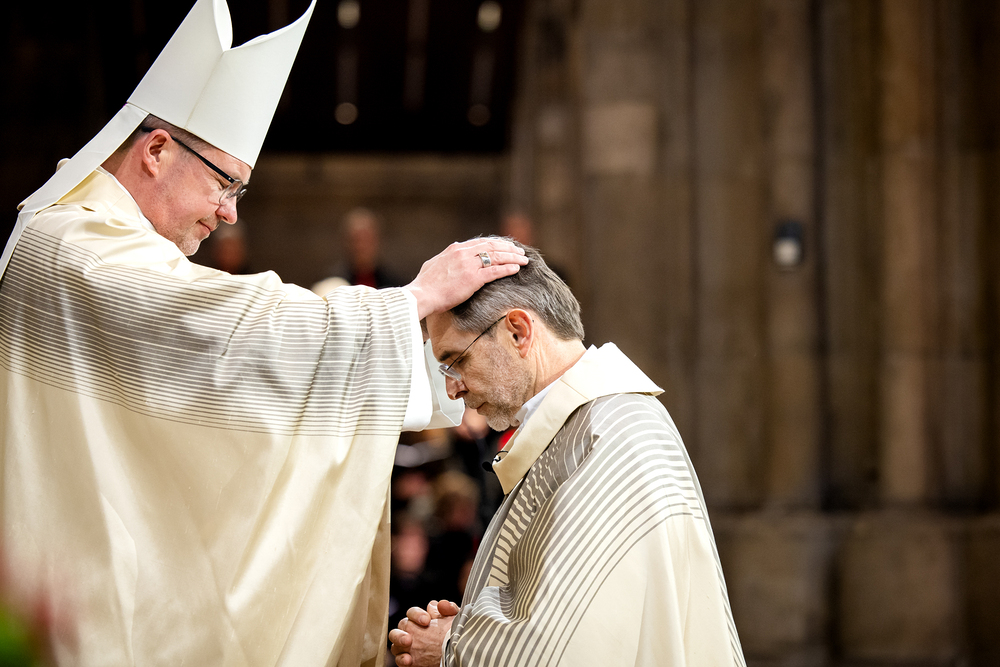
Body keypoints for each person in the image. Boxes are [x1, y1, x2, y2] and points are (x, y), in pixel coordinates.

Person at [0, 2, 526, 665]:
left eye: (239, 193)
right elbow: (224, 328)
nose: (228, 214)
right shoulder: (72, 246)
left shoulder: (91, 239)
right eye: (224, 183)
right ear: (157, 151)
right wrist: (412, 302)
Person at [389, 241, 746, 666]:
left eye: (456, 361)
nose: (452, 389)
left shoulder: (612, 433)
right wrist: (468, 627)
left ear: (518, 331)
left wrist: (453, 646)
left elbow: (575, 642)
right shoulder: (580, 426)